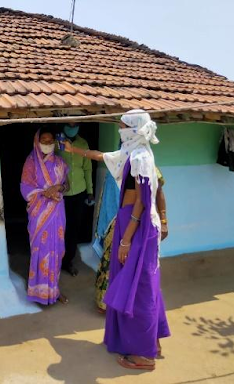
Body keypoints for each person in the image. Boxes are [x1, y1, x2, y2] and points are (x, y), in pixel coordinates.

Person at [65, 110, 170, 370]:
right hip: (130, 225)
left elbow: (142, 203)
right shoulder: (130, 153)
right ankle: (150, 342)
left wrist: (126, 240)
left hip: (138, 228)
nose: (120, 131)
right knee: (138, 285)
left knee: (138, 289)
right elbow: (101, 156)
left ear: (134, 129)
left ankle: (143, 355)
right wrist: (72, 150)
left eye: (123, 126)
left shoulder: (140, 158)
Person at [94, 169, 169, 314]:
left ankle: (130, 305)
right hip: (116, 223)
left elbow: (158, 192)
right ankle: (106, 303)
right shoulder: (115, 167)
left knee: (135, 266)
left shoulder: (148, 166)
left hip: (141, 225)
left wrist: (164, 220)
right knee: (111, 262)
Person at [21, 128, 70, 305]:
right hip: (39, 213)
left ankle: (54, 290)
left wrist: (57, 188)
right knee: (40, 251)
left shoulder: (60, 163)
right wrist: (44, 193)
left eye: (50, 140)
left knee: (56, 251)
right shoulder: (30, 163)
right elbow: (25, 187)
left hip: (57, 213)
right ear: (37, 141)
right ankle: (37, 292)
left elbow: (67, 185)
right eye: (44, 139)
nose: (47, 143)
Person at [58, 123, 94, 277]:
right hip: (59, 193)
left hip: (79, 191)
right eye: (69, 124)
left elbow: (87, 168)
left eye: (75, 124)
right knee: (59, 229)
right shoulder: (55, 142)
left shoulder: (83, 143)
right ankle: (55, 261)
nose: (72, 127)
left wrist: (90, 191)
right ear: (64, 124)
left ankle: (68, 262)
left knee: (73, 229)